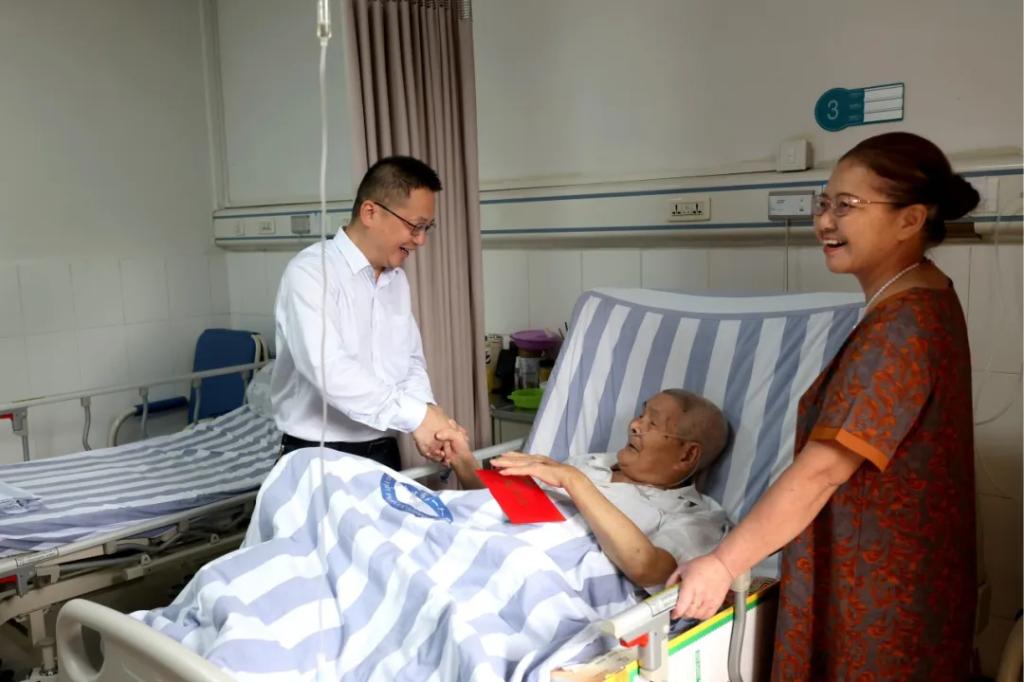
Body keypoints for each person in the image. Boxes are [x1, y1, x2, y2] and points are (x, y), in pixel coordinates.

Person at [669, 132, 979, 681]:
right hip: (899, 574)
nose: (825, 222)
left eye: (847, 206)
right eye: (824, 202)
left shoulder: (901, 327)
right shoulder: (924, 295)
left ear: (910, 220)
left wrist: (721, 563)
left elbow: (822, 471)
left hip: (879, 592)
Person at [271, 156, 458, 469]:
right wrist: (416, 416)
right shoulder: (311, 273)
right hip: (318, 454)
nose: (421, 240)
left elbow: (410, 362)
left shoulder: (396, 281)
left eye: (427, 227)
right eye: (415, 226)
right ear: (370, 212)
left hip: (384, 449)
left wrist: (429, 417)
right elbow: (329, 370)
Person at [438, 389, 732, 588]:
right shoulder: (592, 462)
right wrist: (463, 461)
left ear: (687, 455)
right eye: (641, 415)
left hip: (523, 571)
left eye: (652, 423)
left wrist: (573, 480)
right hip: (473, 539)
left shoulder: (695, 517)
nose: (634, 425)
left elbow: (648, 569)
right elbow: (504, 505)